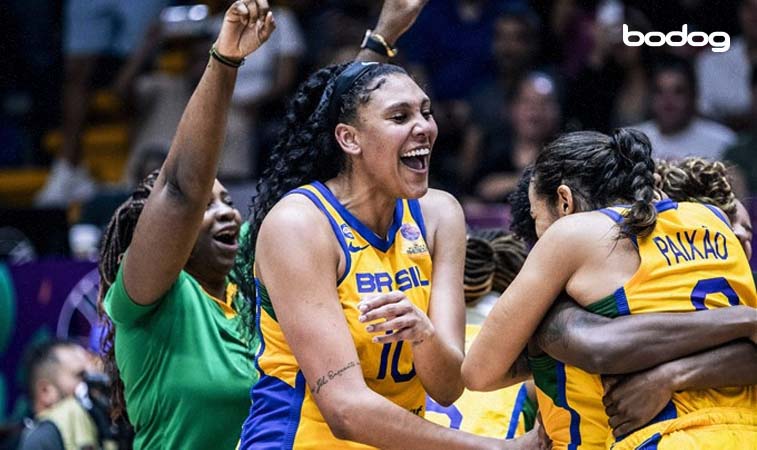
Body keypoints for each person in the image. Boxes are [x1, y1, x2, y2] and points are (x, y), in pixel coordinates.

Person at [236, 0, 546, 447]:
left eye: (426, 112)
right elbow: (345, 410)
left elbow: (446, 386)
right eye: (400, 117)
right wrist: (498, 448)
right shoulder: (298, 224)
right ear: (349, 139)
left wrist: (423, 335)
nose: (423, 128)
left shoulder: (440, 213)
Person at [463, 128, 757, 449]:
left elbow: (479, 372)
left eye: (536, 217)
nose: (539, 234)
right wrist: (740, 321)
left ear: (564, 201)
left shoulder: (571, 235)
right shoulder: (710, 217)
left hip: (670, 437)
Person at [95, 2, 274, 449]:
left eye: (229, 202)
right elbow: (180, 191)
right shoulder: (148, 295)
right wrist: (226, 58)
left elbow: (309, 185)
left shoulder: (246, 286)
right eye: (205, 209)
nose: (228, 213)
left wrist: (379, 43)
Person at [19, 340, 99, 450]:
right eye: (81, 375)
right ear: (45, 391)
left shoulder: (100, 426)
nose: (94, 382)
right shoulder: (41, 440)